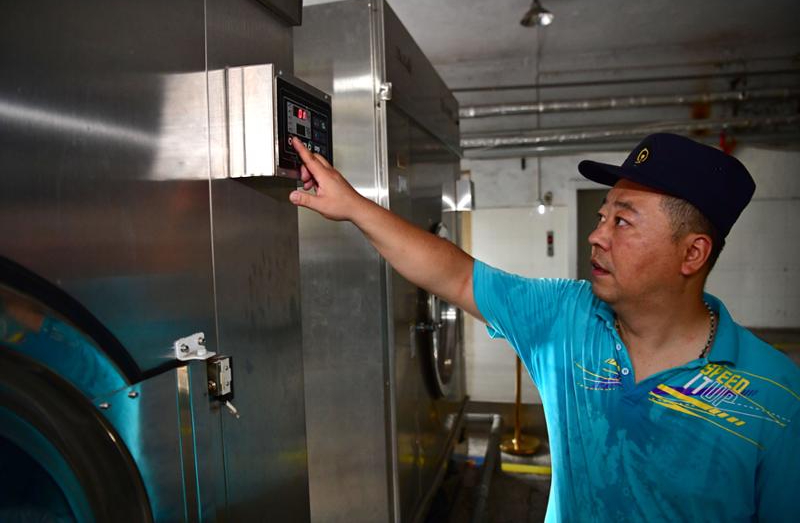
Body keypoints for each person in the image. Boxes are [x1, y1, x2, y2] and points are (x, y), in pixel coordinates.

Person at [288, 133, 799, 521]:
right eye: (602, 216)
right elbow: (456, 276)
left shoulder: (775, 399)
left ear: (692, 253)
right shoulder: (567, 317)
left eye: (622, 221)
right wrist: (353, 206)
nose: (597, 236)